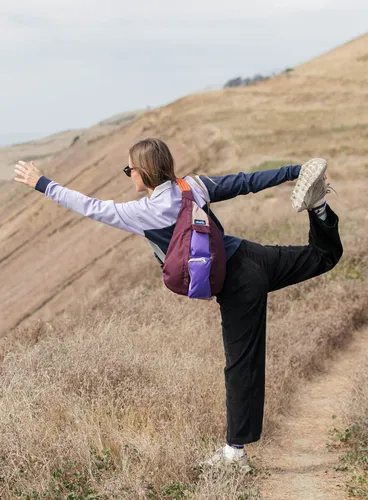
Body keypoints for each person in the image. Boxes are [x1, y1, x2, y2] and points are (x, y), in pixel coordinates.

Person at [14, 138, 343, 468]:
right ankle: (318, 208)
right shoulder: (194, 186)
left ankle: (234, 452)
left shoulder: (143, 213)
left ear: (142, 173)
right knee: (324, 256)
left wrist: (42, 183)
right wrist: (296, 171)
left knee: (242, 363)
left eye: (130, 170)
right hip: (251, 255)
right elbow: (245, 182)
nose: (129, 176)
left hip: (238, 286)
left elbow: (88, 205)